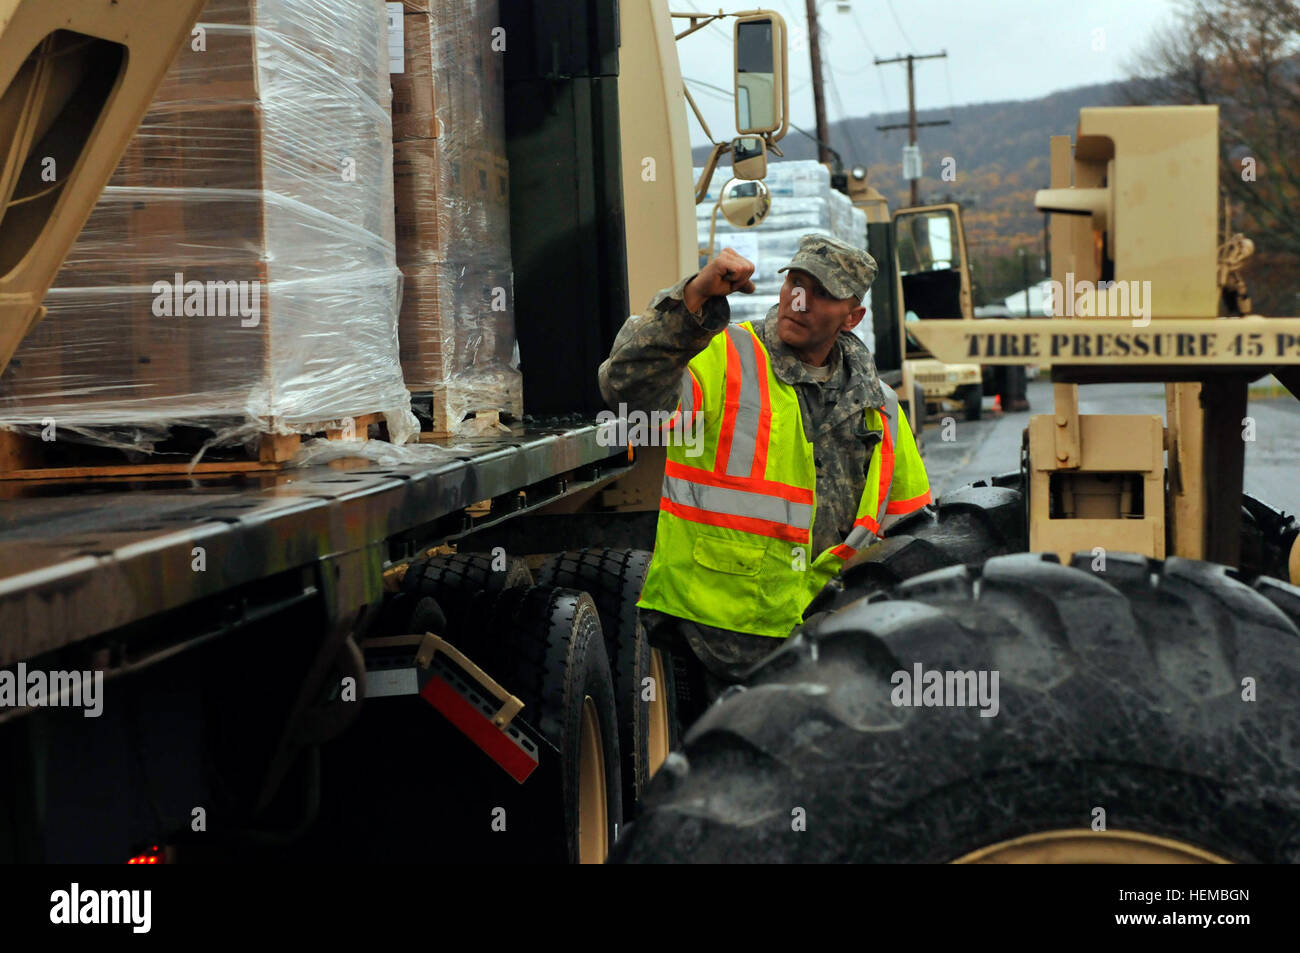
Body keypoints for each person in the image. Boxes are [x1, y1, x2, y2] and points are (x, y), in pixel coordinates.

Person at [598, 234, 931, 722]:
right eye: (795, 283)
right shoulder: (725, 355)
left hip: (834, 650)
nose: (800, 300)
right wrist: (692, 300)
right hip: (715, 641)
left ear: (852, 317)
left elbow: (912, 532)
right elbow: (625, 387)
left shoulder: (879, 405)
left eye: (821, 292)